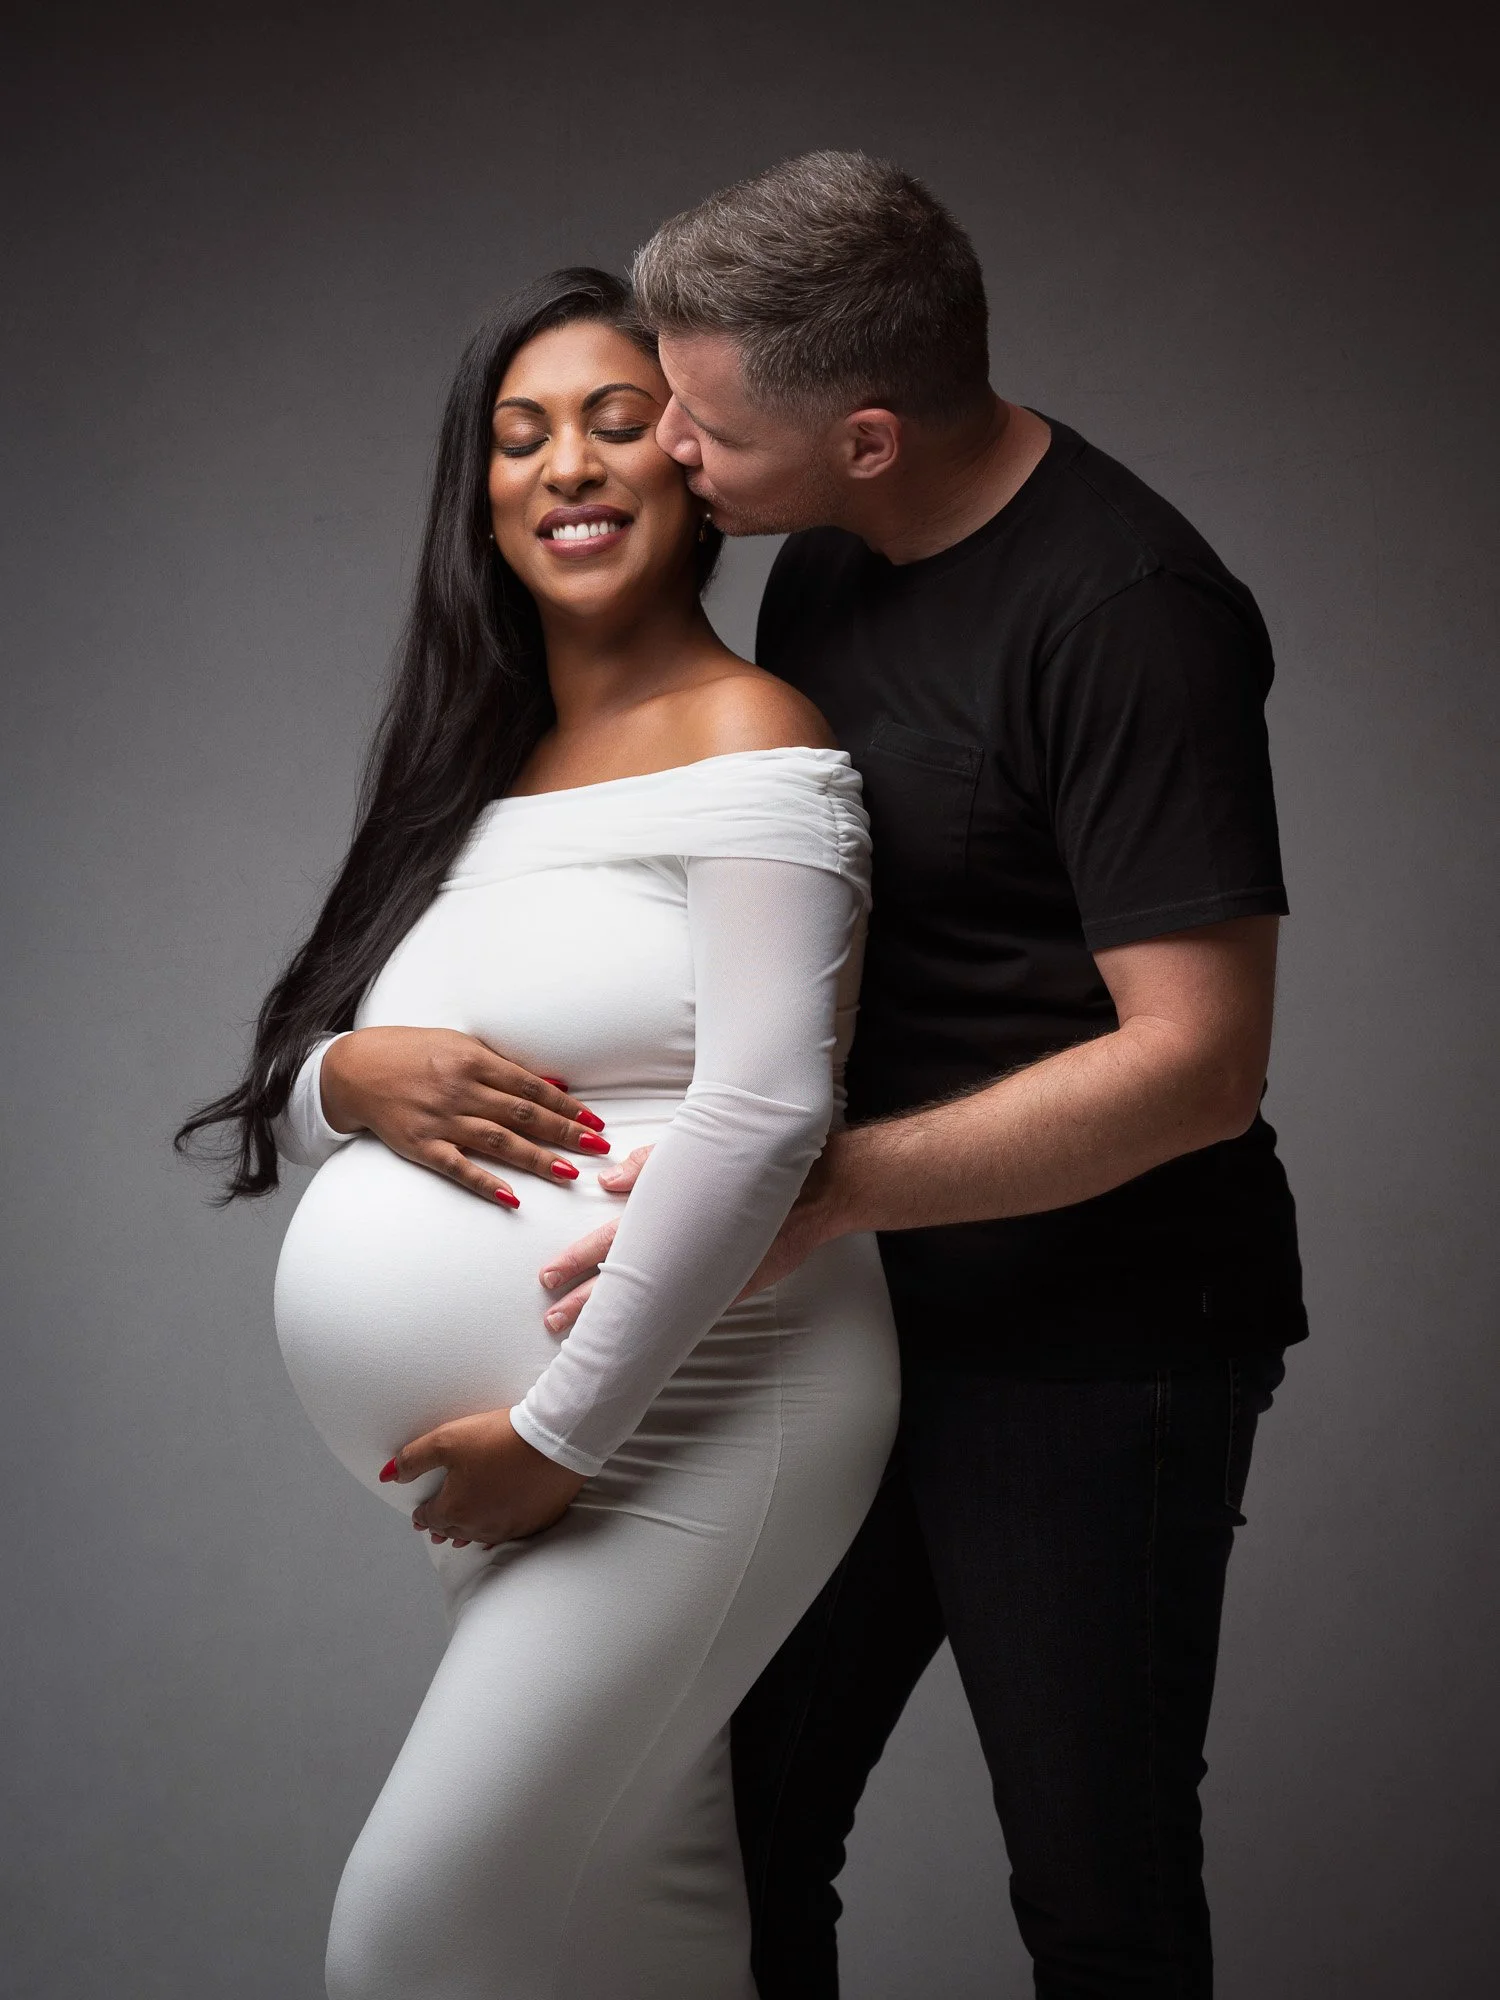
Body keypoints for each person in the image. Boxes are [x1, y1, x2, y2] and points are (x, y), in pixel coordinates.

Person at [378, 155, 1303, 1996]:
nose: (673, 465)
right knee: (737, 1846)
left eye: (697, 427)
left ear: (866, 434)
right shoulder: (823, 570)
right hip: (832, 1328)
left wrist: (836, 1184)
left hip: (1091, 1337)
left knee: (1094, 1892)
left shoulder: (1128, 614)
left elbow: (1198, 1066)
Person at [177, 266, 901, 1999]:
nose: (566, 465)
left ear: (696, 464)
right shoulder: (479, 763)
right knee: (638, 1925)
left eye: (615, 419)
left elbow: (772, 1110)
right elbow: (313, 1062)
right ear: (479, 496)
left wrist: (561, 1438)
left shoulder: (759, 740)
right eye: (520, 437)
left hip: (697, 1416)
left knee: (413, 1940)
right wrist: (343, 1077)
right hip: (549, 1444)